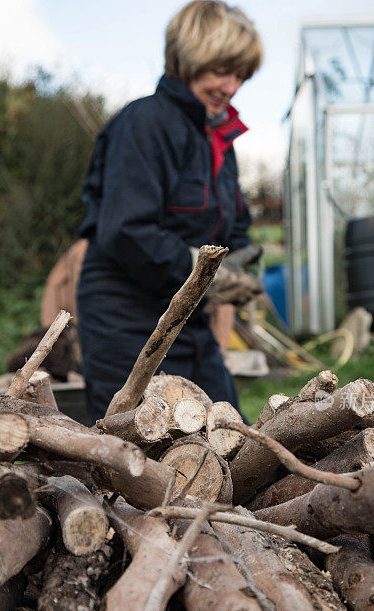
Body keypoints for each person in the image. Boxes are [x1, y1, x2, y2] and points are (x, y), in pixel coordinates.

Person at [77, 0, 263, 422]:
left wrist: (243, 266)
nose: (231, 86)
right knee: (135, 447)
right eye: (221, 71)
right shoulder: (145, 123)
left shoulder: (218, 141)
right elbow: (126, 230)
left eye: (240, 75)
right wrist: (199, 271)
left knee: (229, 429)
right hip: (127, 319)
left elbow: (236, 227)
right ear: (187, 60)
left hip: (187, 321)